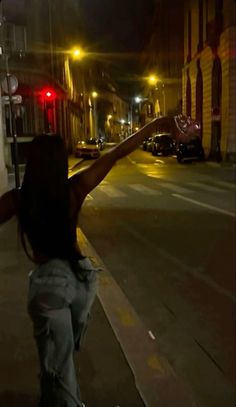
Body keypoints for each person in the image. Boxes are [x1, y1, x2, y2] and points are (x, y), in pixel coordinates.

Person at [0, 117, 159, 406]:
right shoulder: (74, 189)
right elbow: (118, 153)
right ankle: (52, 395)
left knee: (59, 368)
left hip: (49, 287)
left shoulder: (18, 199)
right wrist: (155, 124)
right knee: (58, 355)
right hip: (81, 283)